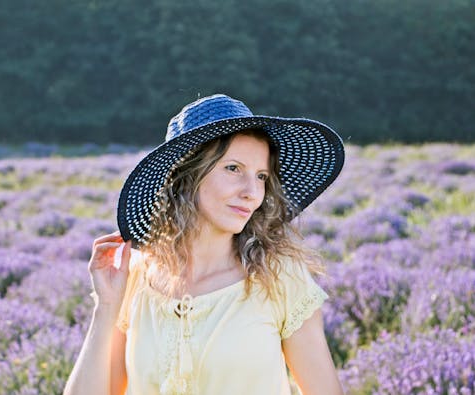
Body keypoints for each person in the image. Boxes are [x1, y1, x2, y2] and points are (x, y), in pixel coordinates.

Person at [64, 94, 345, 395]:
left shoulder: (279, 277)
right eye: (233, 169)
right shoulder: (137, 278)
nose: (252, 192)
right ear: (187, 176)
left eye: (261, 176)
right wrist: (105, 307)